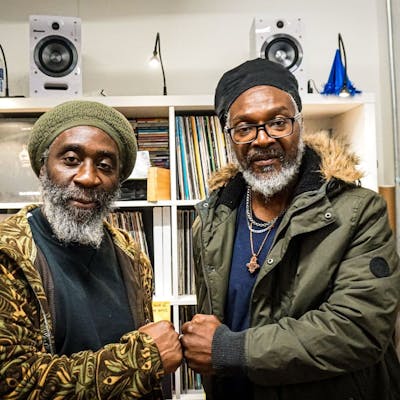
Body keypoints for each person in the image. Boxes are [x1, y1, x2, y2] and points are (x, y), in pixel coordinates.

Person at [181, 58, 400, 400]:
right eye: (244, 128)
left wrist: (230, 350)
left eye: (278, 122)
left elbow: (360, 330)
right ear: (229, 137)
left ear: (299, 122)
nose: (262, 139)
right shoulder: (211, 220)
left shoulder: (359, 212)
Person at [0, 100, 182, 399]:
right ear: (43, 168)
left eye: (105, 165)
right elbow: (13, 381)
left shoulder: (130, 253)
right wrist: (142, 358)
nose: (88, 177)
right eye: (71, 159)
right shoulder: (8, 255)